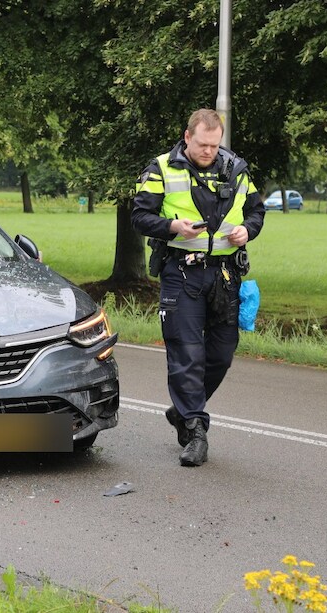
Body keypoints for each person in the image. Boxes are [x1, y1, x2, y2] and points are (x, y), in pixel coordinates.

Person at [131, 108, 265, 466]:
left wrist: (247, 231)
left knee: (221, 354)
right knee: (187, 353)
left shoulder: (235, 168)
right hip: (182, 272)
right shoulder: (161, 168)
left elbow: (257, 212)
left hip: (225, 275)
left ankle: (183, 409)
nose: (209, 151)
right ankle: (195, 430)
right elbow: (140, 215)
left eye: (214, 145)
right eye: (203, 144)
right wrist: (174, 227)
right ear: (188, 137)